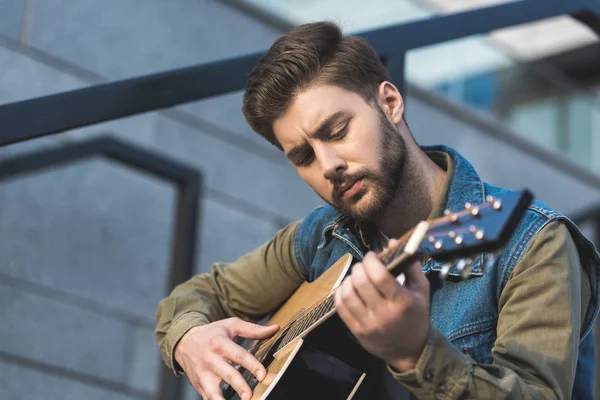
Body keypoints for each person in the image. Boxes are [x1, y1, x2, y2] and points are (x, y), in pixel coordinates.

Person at [154, 21, 600, 400]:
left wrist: (416, 353)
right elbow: (195, 296)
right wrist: (189, 338)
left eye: (337, 130)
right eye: (304, 157)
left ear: (389, 103)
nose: (328, 165)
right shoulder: (320, 236)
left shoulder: (533, 245)